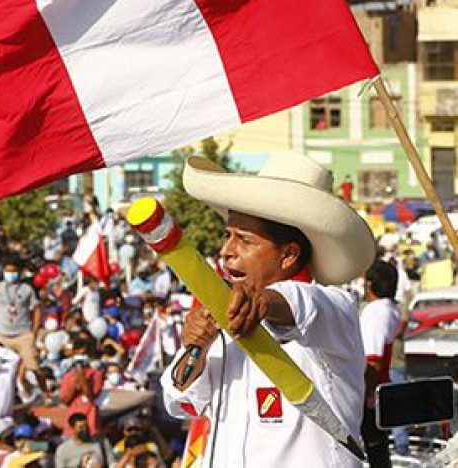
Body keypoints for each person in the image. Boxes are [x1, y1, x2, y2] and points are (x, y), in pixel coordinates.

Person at [161, 152, 375, 467]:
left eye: (244, 240)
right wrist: (196, 347)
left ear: (288, 255)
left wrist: (262, 302)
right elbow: (179, 402)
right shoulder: (224, 321)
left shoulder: (335, 309)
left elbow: (300, 304)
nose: (226, 252)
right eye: (227, 236)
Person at [359, 259, 401, 468]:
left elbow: (373, 363)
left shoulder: (375, 312)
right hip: (378, 393)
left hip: (369, 396)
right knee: (378, 453)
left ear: (370, 285)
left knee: (374, 454)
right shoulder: (391, 310)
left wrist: (361, 399)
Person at [0, 257, 41, 378]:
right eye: (7, 271)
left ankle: (45, 393)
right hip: (3, 335)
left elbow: (37, 309)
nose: (10, 274)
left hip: (23, 335)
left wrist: (34, 332)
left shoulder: (27, 289)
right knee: (2, 370)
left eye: (13, 271)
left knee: (32, 369)